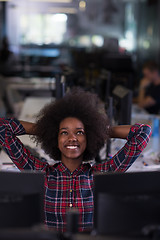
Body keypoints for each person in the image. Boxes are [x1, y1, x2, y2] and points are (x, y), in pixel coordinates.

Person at [0, 88, 151, 233]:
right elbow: (3, 128)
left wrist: (100, 131)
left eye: (79, 132)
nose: (72, 138)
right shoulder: (41, 173)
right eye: (64, 133)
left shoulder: (101, 175)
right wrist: (45, 130)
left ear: (89, 137)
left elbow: (143, 132)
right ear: (55, 138)